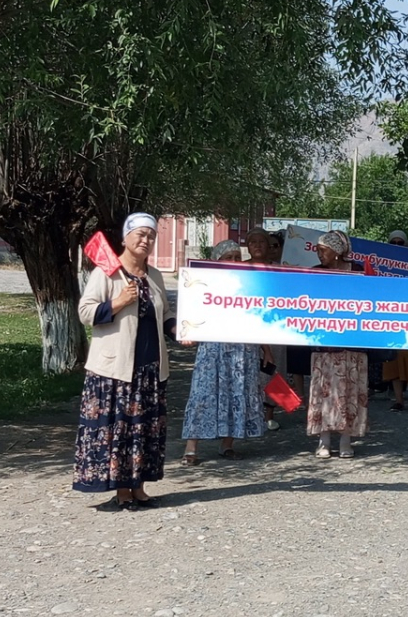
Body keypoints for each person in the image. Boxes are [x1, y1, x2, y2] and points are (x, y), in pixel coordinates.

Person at [73, 213, 171, 510]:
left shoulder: (154, 276)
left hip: (150, 368)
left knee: (143, 429)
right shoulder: (106, 272)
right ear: (125, 238)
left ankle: (138, 486)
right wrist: (118, 302)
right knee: (120, 430)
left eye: (151, 235)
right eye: (140, 234)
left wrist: (179, 330)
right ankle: (122, 490)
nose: (146, 240)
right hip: (115, 369)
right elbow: (85, 312)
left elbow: (164, 314)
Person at [181, 240, 265, 464]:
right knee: (203, 392)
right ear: (217, 260)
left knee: (239, 391)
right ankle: (191, 448)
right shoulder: (205, 283)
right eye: (229, 257)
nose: (234, 261)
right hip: (213, 347)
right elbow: (191, 309)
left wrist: (266, 348)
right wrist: (187, 331)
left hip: (243, 348)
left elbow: (260, 316)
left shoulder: (249, 284)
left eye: (238, 257)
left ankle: (228, 444)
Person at [306, 229, 369, 457]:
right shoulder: (315, 273)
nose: (319, 255)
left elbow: (369, 300)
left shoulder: (359, 272)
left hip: (352, 342)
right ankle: (323, 440)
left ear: (336, 251)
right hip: (325, 343)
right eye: (318, 250)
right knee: (324, 392)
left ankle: (346, 440)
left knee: (350, 391)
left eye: (323, 250)